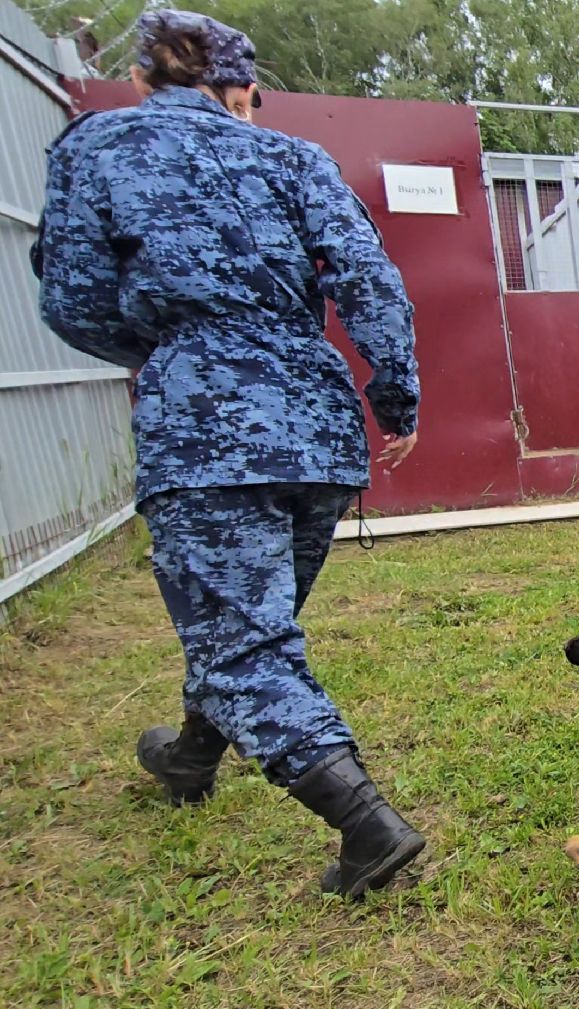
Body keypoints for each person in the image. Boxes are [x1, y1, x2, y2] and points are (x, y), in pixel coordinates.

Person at [31, 10, 425, 899]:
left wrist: (165, 354)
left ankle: (368, 827)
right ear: (245, 92)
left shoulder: (98, 146)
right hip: (317, 430)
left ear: (142, 80)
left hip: (202, 428)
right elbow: (369, 281)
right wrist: (395, 396)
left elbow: (72, 298)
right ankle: (186, 757)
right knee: (249, 624)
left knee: (243, 643)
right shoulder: (293, 158)